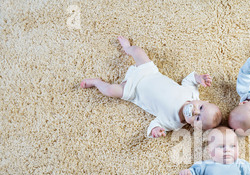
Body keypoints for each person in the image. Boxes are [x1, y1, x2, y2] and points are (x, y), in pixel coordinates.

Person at [81, 36, 222, 138]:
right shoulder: (191, 94)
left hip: (133, 91)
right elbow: (190, 79)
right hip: (148, 72)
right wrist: (199, 78)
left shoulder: (173, 122)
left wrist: (156, 130)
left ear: (193, 126)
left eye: (197, 119)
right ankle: (127, 48)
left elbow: (155, 123)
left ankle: (96, 82)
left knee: (110, 90)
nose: (195, 111)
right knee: (137, 51)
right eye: (201, 107)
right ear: (204, 101)